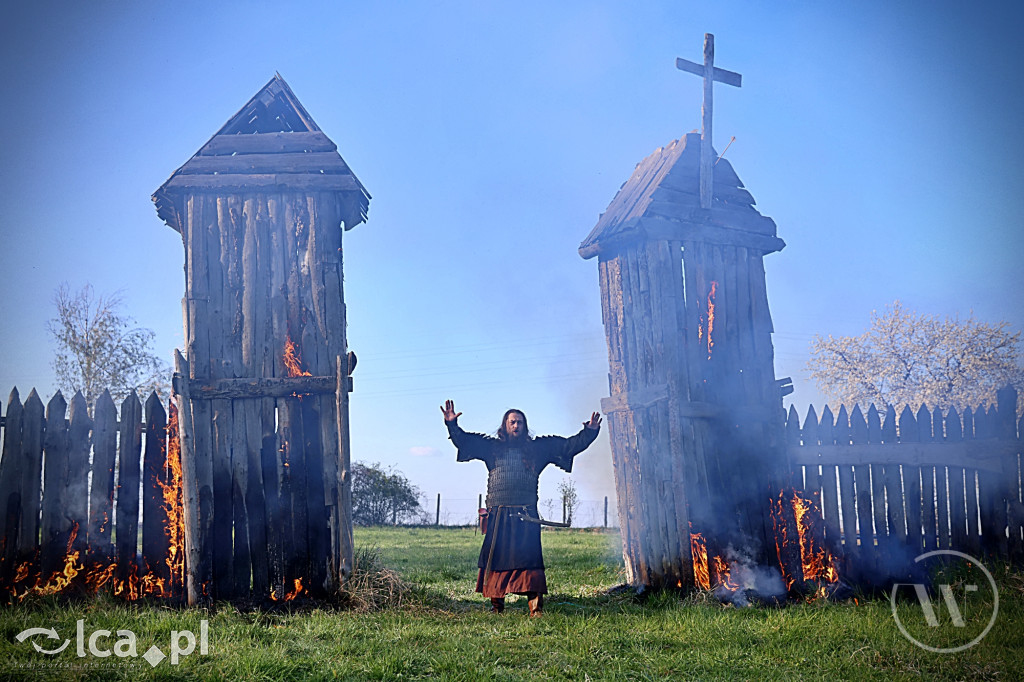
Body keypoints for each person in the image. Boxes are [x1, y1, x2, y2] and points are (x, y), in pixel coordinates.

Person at [440, 399, 601, 616]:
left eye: (520, 423)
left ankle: (535, 608)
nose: (516, 426)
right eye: (512, 422)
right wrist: (452, 425)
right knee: (496, 558)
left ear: (525, 426)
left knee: (529, 560)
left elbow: (569, 446)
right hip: (498, 515)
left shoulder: (538, 449)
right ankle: (497, 606)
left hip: (526, 515)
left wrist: (589, 432)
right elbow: (464, 442)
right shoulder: (491, 449)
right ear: (505, 426)